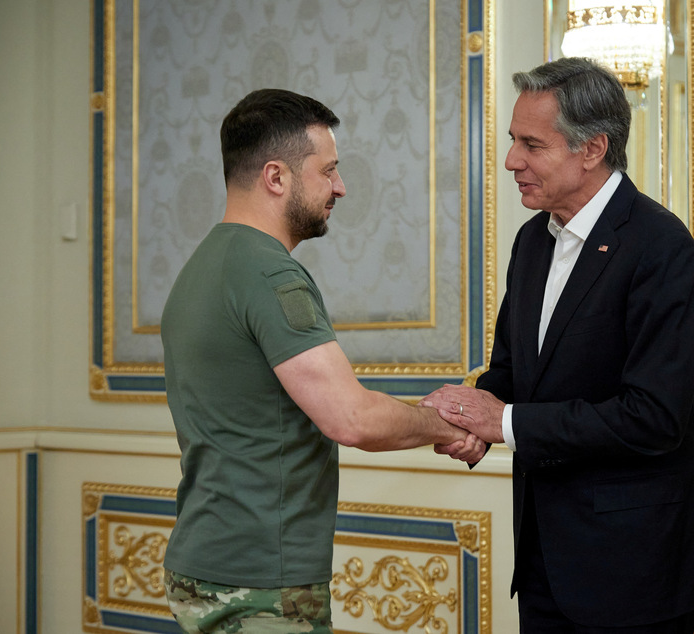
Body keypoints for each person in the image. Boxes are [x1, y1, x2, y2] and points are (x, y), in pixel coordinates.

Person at [422, 58, 694, 632]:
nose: (512, 160)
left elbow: (655, 417)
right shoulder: (531, 240)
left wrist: (506, 423)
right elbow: (514, 369)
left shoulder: (660, 246)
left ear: (592, 149)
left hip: (632, 566)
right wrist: (470, 418)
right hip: (544, 556)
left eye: (532, 145)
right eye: (513, 140)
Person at [160, 89, 483, 634]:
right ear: (276, 177)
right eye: (328, 170)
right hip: (260, 582)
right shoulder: (270, 274)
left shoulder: (202, 268)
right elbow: (350, 419)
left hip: (202, 563)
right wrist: (449, 422)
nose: (340, 187)